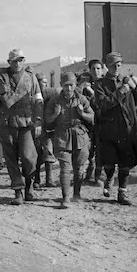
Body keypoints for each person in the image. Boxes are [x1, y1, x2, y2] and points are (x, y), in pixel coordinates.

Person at [0, 48, 43, 205]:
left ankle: (29, 187)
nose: (18, 63)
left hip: (26, 122)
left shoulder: (30, 78)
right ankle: (18, 192)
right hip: (6, 123)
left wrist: (39, 120)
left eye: (21, 60)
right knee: (11, 159)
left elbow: (38, 100)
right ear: (9, 62)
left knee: (29, 157)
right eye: (15, 60)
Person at [92, 52, 137, 206]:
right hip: (109, 129)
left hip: (126, 128)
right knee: (109, 162)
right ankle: (109, 178)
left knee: (125, 162)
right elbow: (102, 105)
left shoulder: (126, 81)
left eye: (119, 65)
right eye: (113, 65)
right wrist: (121, 91)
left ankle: (122, 192)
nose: (117, 68)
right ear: (107, 67)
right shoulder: (99, 85)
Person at [45, 72, 95, 209]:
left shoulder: (82, 99)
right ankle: (66, 197)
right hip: (62, 136)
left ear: (76, 85)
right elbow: (47, 120)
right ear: (61, 85)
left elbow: (92, 117)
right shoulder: (54, 100)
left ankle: (77, 194)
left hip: (79, 136)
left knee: (79, 168)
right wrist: (55, 114)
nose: (69, 88)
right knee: (65, 168)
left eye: (71, 85)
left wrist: (82, 113)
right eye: (66, 85)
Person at [32, 73, 59, 189]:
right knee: (36, 154)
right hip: (35, 129)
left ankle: (49, 179)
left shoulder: (50, 94)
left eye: (45, 82)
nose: (44, 85)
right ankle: (36, 179)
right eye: (41, 82)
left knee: (48, 153)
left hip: (47, 128)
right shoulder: (32, 95)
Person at [81, 59, 105, 184]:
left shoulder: (106, 84)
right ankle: (88, 175)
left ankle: (98, 176)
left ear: (102, 70)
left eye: (98, 68)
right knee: (88, 149)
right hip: (89, 122)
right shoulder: (85, 85)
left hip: (103, 121)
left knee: (101, 150)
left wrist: (92, 93)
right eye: (93, 69)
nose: (96, 71)